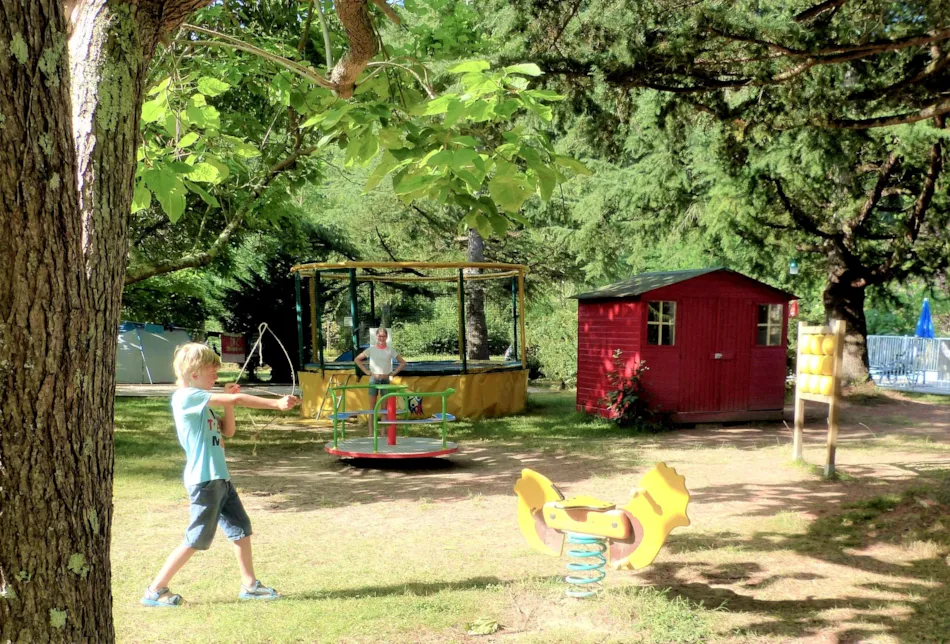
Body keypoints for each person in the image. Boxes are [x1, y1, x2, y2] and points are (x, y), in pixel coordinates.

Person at [141, 343, 300, 607]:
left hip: (220, 478)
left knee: (240, 529)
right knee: (197, 538)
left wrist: (228, 404)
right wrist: (276, 404)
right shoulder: (186, 397)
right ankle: (155, 589)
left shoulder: (203, 402)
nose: (217, 376)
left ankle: (250, 586)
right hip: (205, 480)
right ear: (193, 374)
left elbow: (227, 432)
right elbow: (237, 399)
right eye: (212, 372)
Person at [355, 327, 406, 414]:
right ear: (376, 336)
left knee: (384, 407)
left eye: (384, 336)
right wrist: (366, 371)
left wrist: (393, 373)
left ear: (386, 337)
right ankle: (371, 428)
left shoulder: (390, 350)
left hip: (385, 380)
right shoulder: (371, 349)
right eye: (380, 336)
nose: (382, 338)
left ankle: (383, 428)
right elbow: (357, 359)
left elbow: (403, 363)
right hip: (374, 379)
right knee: (372, 407)